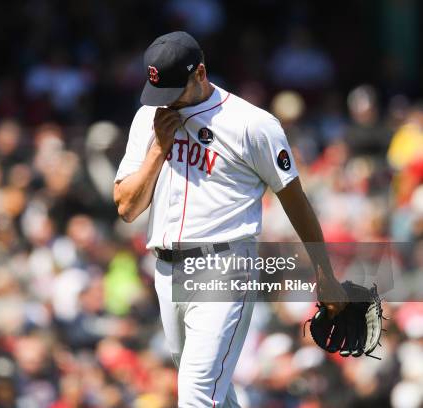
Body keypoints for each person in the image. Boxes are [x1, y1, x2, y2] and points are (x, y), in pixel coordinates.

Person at [113, 31, 348, 407]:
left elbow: (295, 200)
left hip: (224, 266)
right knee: (215, 396)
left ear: (200, 73)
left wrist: (325, 273)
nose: (166, 100)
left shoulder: (252, 125)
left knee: (196, 397)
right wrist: (158, 150)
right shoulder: (150, 118)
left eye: (174, 88)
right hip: (166, 270)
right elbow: (126, 207)